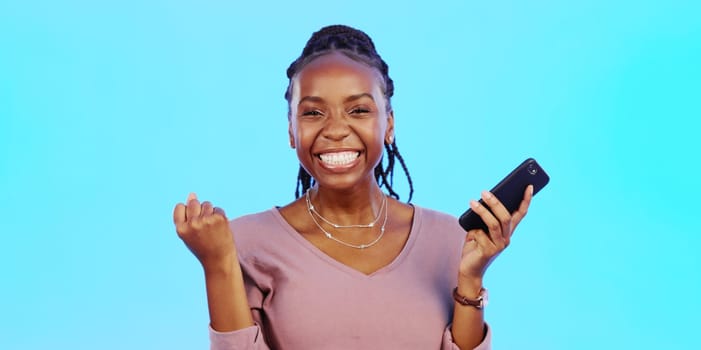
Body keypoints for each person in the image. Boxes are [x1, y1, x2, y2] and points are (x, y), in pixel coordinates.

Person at [173, 24, 534, 350]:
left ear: (389, 124)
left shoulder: (451, 239)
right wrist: (218, 263)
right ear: (290, 130)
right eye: (313, 113)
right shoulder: (244, 243)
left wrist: (471, 278)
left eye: (358, 110)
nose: (335, 129)